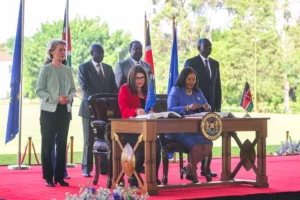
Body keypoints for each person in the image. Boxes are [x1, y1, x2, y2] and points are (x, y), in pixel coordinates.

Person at [36, 39, 76, 187]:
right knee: (47, 145)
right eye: (60, 49)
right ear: (52, 51)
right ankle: (48, 177)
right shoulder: (45, 69)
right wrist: (55, 99)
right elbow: (39, 90)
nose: (63, 52)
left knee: (61, 144)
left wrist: (68, 98)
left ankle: (59, 177)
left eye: (64, 50)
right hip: (48, 112)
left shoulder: (68, 70)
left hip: (64, 111)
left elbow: (73, 90)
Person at [78, 44, 118, 177]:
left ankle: (104, 168)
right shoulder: (83, 68)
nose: (101, 55)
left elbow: (114, 87)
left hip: (105, 110)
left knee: (105, 138)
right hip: (89, 109)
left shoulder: (108, 68)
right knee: (89, 140)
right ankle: (86, 167)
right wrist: (100, 99)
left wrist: (108, 101)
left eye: (103, 52)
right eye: (98, 52)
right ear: (92, 53)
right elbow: (85, 89)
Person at [167, 67, 213, 183]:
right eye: (189, 79)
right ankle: (193, 172)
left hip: (197, 127)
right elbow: (170, 109)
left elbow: (206, 105)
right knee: (197, 147)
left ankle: (188, 168)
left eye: (194, 79)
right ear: (183, 79)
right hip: (179, 129)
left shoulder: (198, 92)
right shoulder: (176, 90)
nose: (192, 82)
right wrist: (187, 107)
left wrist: (207, 107)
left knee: (208, 144)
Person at [118, 64, 161, 186]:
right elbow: (123, 110)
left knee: (156, 146)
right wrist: (136, 111)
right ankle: (133, 177)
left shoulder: (148, 91)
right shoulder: (125, 89)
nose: (140, 80)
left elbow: (150, 108)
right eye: (137, 78)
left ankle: (153, 177)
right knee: (141, 145)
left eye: (142, 77)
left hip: (146, 129)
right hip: (129, 129)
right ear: (132, 78)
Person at [184, 38, 221, 177]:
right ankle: (191, 169)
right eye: (206, 46)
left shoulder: (215, 64)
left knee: (209, 137)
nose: (209, 48)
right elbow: (186, 84)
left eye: (211, 46)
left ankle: (206, 169)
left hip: (209, 108)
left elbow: (217, 87)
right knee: (194, 139)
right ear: (199, 47)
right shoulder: (191, 62)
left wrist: (217, 107)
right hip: (195, 107)